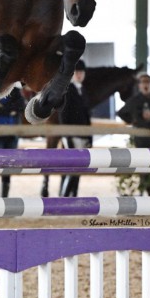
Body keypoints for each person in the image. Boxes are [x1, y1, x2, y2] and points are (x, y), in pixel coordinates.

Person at [59, 60, 92, 198]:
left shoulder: (83, 90)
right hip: (71, 135)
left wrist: (90, 137)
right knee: (72, 169)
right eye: (76, 72)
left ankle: (74, 196)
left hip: (83, 136)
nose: (79, 75)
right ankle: (64, 198)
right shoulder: (67, 91)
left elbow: (87, 116)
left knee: (78, 169)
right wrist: (67, 138)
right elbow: (63, 116)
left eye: (81, 72)